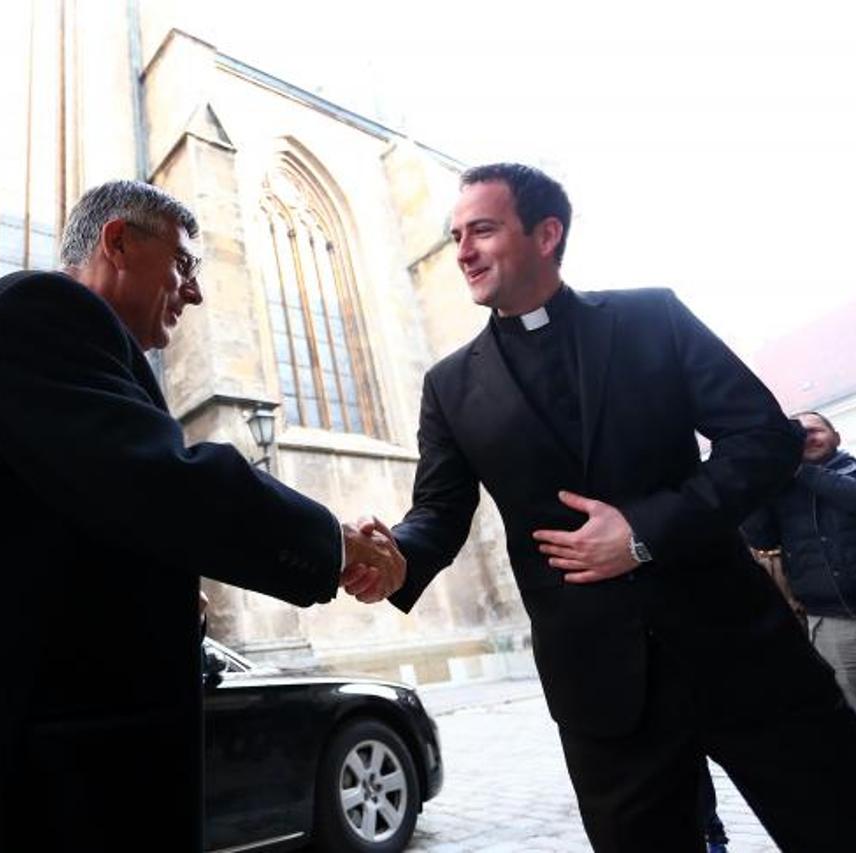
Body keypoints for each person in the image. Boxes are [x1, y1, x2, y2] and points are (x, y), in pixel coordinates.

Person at [0, 180, 403, 852]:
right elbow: (159, 481)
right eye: (183, 263)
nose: (195, 292)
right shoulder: (38, 311)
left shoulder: (88, 352)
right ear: (118, 241)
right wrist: (332, 541)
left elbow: (77, 529)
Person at [349, 163, 856, 852]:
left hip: (741, 651)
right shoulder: (449, 386)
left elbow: (763, 440)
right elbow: (439, 510)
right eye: (456, 234)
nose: (461, 250)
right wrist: (398, 555)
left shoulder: (654, 317)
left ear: (547, 232)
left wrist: (643, 532)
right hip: (603, 695)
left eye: (483, 230)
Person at [743, 410, 856, 708]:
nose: (807, 437)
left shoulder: (851, 473)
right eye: (798, 434)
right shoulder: (782, 492)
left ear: (837, 437)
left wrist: (798, 470)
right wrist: (755, 485)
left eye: (815, 431)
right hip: (832, 622)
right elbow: (762, 539)